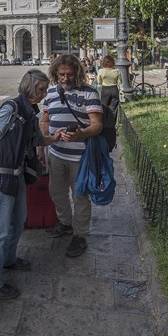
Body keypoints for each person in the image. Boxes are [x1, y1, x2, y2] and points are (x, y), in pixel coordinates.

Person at [0, 69, 62, 300]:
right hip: (1, 176)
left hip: (17, 175)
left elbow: (36, 140)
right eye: (41, 89)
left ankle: (8, 259)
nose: (44, 94)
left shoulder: (29, 112)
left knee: (18, 220)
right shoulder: (11, 108)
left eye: (45, 89)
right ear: (30, 86)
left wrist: (55, 138)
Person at [39, 54, 103, 258]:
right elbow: (45, 120)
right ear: (55, 74)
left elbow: (97, 124)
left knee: (80, 197)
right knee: (56, 192)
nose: (65, 79)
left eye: (69, 74)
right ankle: (65, 223)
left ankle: (80, 235)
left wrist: (81, 134)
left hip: (80, 157)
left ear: (77, 72)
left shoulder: (89, 93)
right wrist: (42, 147)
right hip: (56, 154)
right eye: (61, 75)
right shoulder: (50, 92)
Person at [96, 55, 121, 125]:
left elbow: (99, 81)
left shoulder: (101, 71)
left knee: (104, 106)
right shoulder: (116, 71)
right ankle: (112, 123)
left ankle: (105, 123)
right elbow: (119, 82)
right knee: (114, 108)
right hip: (114, 89)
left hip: (105, 89)